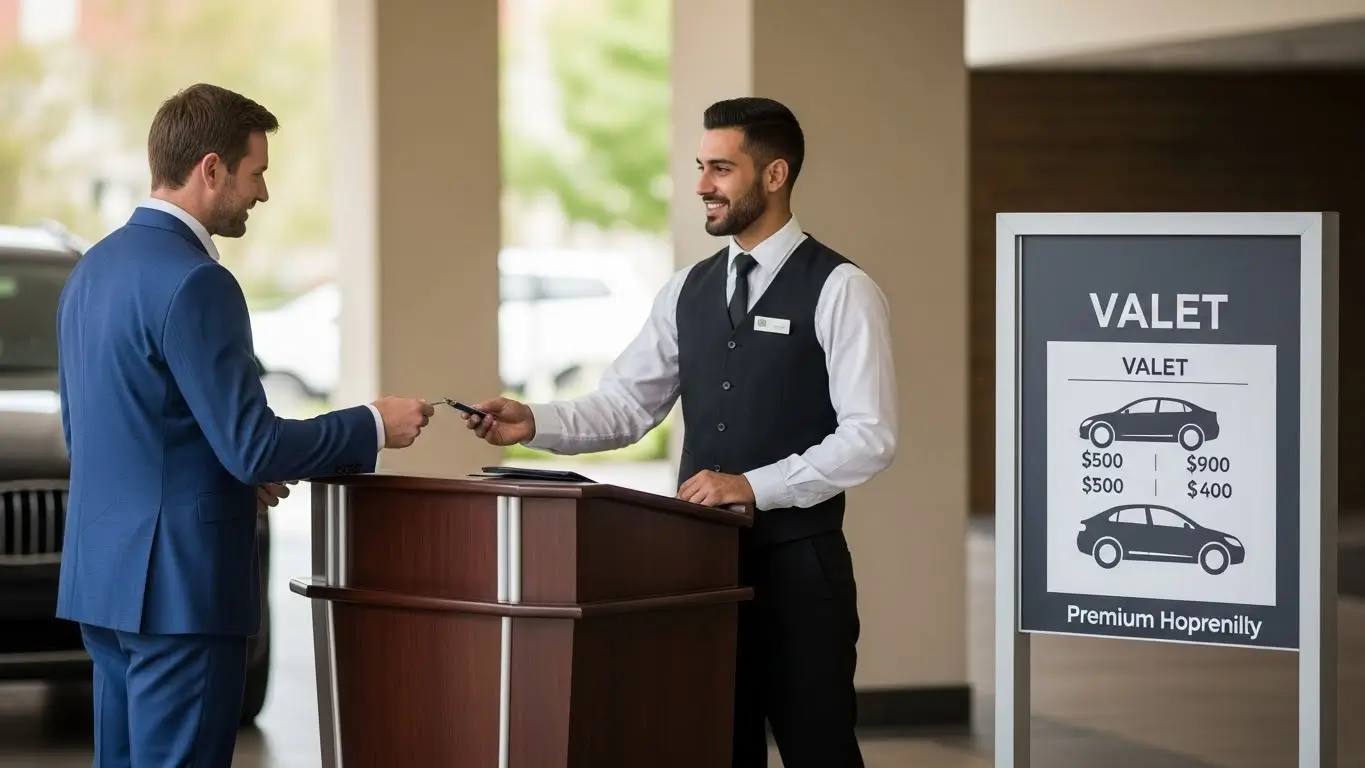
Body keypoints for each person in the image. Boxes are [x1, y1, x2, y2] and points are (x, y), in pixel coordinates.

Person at [462, 96, 896, 768]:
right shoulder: (685, 290)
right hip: (700, 567)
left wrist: (751, 485)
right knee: (714, 744)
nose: (701, 185)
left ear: (774, 175)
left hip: (801, 570)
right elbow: (626, 406)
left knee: (820, 749)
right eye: (700, 167)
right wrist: (534, 422)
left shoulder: (842, 289)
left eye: (720, 168)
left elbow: (870, 435)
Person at [55, 83, 434, 768]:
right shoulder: (198, 281)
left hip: (103, 584)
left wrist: (222, 469)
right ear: (211, 169)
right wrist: (372, 425)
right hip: (181, 595)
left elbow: (99, 431)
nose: (262, 192)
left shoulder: (91, 269)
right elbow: (254, 446)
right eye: (256, 172)